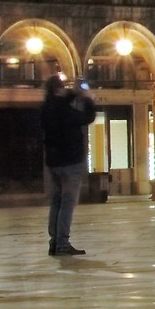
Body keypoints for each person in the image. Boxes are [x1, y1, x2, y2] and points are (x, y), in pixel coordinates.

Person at [39, 75, 97, 256]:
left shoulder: (46, 107)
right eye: (63, 87)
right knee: (67, 202)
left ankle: (54, 242)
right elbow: (87, 117)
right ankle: (63, 243)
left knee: (56, 201)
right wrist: (88, 98)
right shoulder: (63, 110)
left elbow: (61, 101)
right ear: (58, 89)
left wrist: (73, 92)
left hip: (53, 162)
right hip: (70, 161)